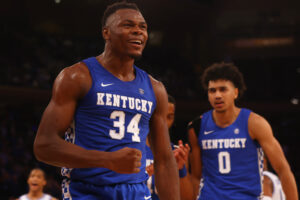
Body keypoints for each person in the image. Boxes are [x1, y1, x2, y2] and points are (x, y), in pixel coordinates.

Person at [33, 2, 180, 200]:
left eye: (142, 27)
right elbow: (44, 145)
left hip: (137, 192)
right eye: (128, 25)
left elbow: (164, 160)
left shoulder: (155, 89)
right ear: (106, 33)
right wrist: (107, 160)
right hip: (86, 191)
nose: (138, 31)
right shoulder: (77, 77)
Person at [184, 62, 298, 199]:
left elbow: (283, 170)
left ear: (236, 92)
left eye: (223, 89)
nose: (217, 95)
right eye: (212, 90)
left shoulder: (255, 123)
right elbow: (196, 177)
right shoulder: (197, 126)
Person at [145, 95, 190, 200]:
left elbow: (188, 198)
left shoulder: (176, 152)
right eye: (160, 116)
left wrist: (180, 169)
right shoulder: (133, 147)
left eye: (169, 117)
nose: (164, 122)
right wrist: (157, 166)